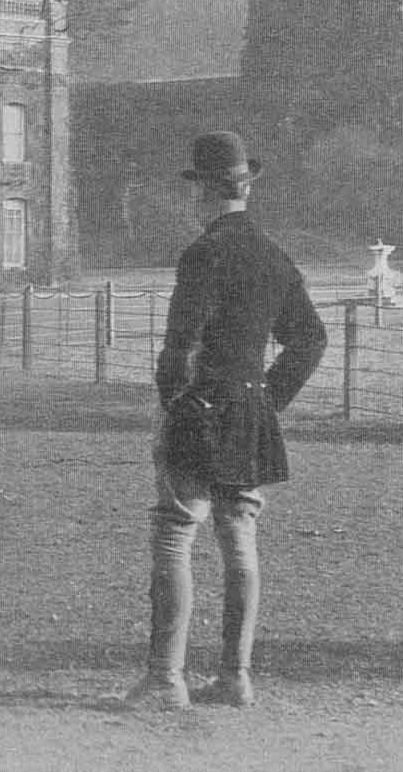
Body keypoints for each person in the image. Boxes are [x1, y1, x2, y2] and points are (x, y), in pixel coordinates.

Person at [125, 131, 327, 711]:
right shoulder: (272, 255)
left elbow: (177, 347)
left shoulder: (203, 254)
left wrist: (171, 405)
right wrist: (268, 399)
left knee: (175, 530)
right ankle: (235, 676)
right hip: (248, 411)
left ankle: (166, 680)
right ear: (246, 186)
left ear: (204, 191)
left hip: (200, 408)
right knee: (238, 535)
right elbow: (310, 338)